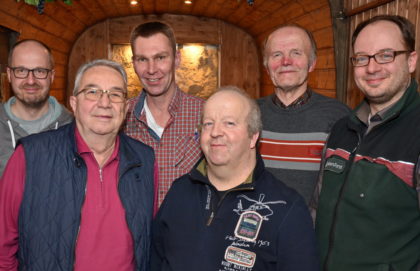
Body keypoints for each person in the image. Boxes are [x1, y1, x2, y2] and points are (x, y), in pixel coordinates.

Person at [0, 59, 155, 271]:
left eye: (115, 94)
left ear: (126, 108)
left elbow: (150, 242)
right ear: (74, 103)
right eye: (92, 92)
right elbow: (3, 244)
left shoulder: (144, 160)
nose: (105, 102)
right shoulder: (30, 155)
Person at [152, 86, 319, 271]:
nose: (215, 132)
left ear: (253, 136)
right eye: (208, 123)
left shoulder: (287, 209)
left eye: (229, 123)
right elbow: (155, 261)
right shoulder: (179, 191)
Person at [313, 15, 420, 271]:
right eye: (362, 58)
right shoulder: (341, 129)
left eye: (385, 55)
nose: (371, 68)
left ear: (412, 60)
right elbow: (318, 208)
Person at [258, 25, 350, 203]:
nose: (286, 61)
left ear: (312, 64)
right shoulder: (249, 113)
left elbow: (344, 190)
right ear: (267, 67)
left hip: (313, 229)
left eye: (296, 53)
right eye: (276, 54)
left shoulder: (339, 116)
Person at [125, 21, 204, 207]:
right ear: (133, 63)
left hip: (186, 232)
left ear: (177, 59)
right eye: (142, 59)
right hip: (135, 232)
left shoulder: (205, 114)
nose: (151, 70)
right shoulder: (119, 117)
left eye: (160, 57)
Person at [0, 39, 73, 176]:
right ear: (9, 74)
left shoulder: (74, 128)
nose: (31, 80)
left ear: (51, 76)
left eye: (40, 71)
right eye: (21, 70)